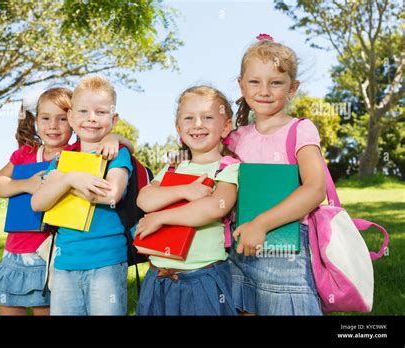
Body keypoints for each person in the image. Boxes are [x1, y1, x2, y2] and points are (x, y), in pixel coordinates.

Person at [227, 34, 325, 315]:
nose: (264, 90)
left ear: (292, 88)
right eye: (255, 82)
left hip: (285, 250)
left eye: (276, 82)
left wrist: (262, 223)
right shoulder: (235, 137)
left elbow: (314, 189)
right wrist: (124, 143)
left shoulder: (299, 130)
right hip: (240, 247)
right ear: (241, 85)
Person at [31, 75, 133, 315]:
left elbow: (112, 195)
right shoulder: (62, 160)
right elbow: (38, 202)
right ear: (71, 118)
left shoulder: (116, 155)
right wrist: (69, 178)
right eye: (84, 111)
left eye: (101, 112)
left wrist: (62, 182)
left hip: (106, 260)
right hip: (66, 261)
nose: (92, 118)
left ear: (113, 119)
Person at [135, 86, 239, 315]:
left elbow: (213, 207)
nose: (198, 124)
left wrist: (161, 217)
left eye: (208, 117)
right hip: (158, 276)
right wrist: (184, 190)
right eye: (189, 118)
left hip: (202, 279)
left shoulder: (227, 168)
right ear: (178, 128)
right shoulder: (173, 167)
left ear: (226, 126)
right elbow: (145, 199)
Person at [0, 87, 74, 315]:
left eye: (62, 119)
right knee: (9, 307)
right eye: (45, 118)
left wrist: (114, 137)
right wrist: (26, 184)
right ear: (35, 121)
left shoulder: (78, 154)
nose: (53, 125)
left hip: (49, 254)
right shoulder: (25, 154)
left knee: (44, 308)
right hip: (15, 250)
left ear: (74, 120)